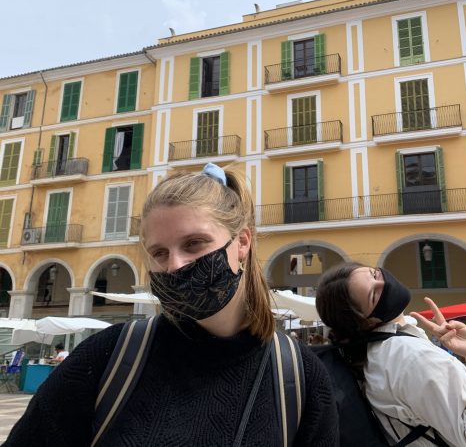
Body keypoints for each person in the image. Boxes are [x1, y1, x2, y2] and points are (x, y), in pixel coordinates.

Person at [6, 164, 338, 446]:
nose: (174, 266)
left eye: (194, 243)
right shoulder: (108, 357)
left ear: (242, 243)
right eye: (159, 253)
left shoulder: (299, 377)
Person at [316, 262, 466, 446]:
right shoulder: (409, 356)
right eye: (374, 295)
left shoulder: (377, 355)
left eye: (375, 274)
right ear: (364, 321)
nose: (383, 282)